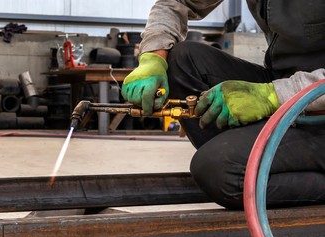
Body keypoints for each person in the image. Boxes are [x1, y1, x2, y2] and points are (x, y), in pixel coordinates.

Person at [121, 0, 325, 210]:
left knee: (218, 169)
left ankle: (233, 170)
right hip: (285, 83)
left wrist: (272, 96)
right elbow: (176, 2)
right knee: (182, 61)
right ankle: (244, 160)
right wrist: (153, 57)